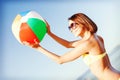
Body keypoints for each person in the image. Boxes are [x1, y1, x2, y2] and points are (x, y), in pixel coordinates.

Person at [23, 13, 120, 80]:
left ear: (82, 22)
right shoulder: (96, 38)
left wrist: (38, 47)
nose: (71, 29)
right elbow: (68, 44)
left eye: (73, 25)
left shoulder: (88, 44)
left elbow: (60, 60)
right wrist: (49, 33)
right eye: (69, 27)